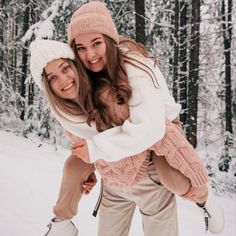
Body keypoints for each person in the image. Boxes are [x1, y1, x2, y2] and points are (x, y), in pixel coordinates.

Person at [29, 40, 223, 236]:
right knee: (74, 163)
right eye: (52, 78)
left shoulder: (108, 96)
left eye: (65, 68)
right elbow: (85, 148)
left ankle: (206, 199)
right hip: (113, 184)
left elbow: (161, 132)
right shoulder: (66, 113)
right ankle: (61, 224)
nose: (63, 80)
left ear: (76, 66)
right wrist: (89, 171)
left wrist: (198, 177)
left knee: (179, 185)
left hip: (148, 174)